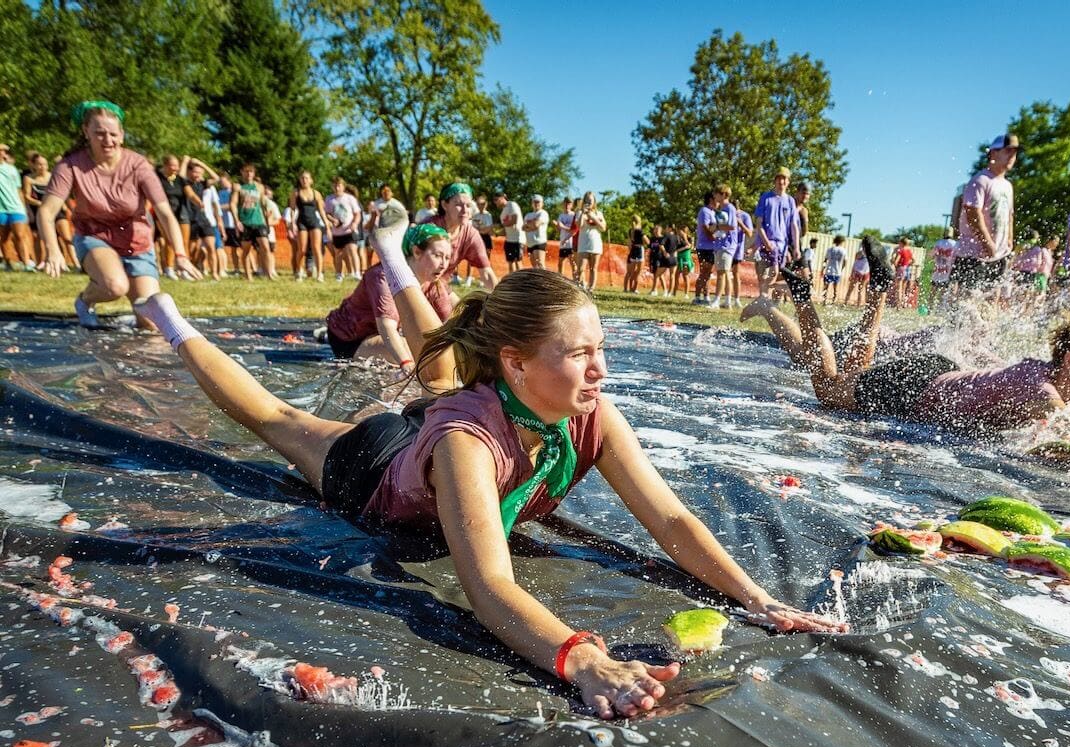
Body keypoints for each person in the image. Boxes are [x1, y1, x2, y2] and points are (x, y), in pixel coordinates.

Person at [130, 203, 846, 718]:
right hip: (374, 467)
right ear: (518, 361)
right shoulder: (468, 445)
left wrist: (757, 598)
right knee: (277, 419)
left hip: (458, 418)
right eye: (580, 354)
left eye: (602, 349)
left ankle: (392, 262)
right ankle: (169, 318)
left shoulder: (586, 409)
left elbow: (671, 518)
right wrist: (584, 659)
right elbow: (488, 583)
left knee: (444, 382)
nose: (600, 370)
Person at [744, 238, 1070, 463]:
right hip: (919, 386)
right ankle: (802, 297)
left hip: (936, 374)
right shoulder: (1045, 392)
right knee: (830, 391)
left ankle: (879, 290)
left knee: (857, 366)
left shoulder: (1054, 377)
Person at [37, 101, 200, 326]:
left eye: (113, 134)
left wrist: (181, 255)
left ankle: (138, 315)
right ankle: (85, 300)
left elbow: (164, 212)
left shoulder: (138, 165)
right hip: (95, 237)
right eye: (100, 133)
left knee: (152, 323)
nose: (108, 140)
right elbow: (46, 211)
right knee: (115, 286)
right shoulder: (70, 166)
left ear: (122, 135)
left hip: (137, 243)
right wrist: (53, 251)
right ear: (86, 132)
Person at [324, 220, 457, 377]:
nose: (443, 265)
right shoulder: (383, 277)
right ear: (416, 252)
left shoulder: (435, 284)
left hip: (389, 333)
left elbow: (449, 324)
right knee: (414, 352)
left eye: (447, 258)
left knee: (436, 351)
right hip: (349, 338)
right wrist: (406, 365)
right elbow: (386, 327)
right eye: (437, 256)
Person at [953, 134, 1019, 297]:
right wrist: (987, 243)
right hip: (973, 254)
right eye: (1008, 151)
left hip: (998, 254)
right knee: (967, 301)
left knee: (991, 300)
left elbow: (1009, 215)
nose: (1012, 156)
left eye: (1015, 153)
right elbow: (972, 213)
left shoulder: (1007, 185)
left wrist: (1010, 240)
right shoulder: (981, 180)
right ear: (993, 153)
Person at [428, 182, 498, 290]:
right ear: (444, 205)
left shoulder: (470, 234)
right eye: (458, 204)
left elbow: (487, 273)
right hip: (409, 286)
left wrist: (502, 301)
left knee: (462, 307)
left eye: (468, 205)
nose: (465, 210)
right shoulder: (429, 229)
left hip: (439, 287)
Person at [22, 153, 76, 272]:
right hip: (39, 210)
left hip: (56, 210)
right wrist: (40, 204)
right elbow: (26, 196)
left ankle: (76, 263)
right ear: (34, 165)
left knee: (66, 236)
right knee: (39, 238)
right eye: (40, 164)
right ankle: (40, 263)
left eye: (45, 164)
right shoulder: (29, 178)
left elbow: (63, 192)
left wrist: (66, 206)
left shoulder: (53, 176)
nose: (43, 166)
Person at [754, 167, 800, 293]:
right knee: (764, 276)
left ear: (788, 182)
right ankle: (764, 302)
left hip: (782, 247)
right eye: (779, 178)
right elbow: (759, 223)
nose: (782, 182)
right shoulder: (766, 198)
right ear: (775, 181)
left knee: (776, 275)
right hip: (765, 244)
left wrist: (796, 247)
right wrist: (766, 242)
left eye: (784, 179)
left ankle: (769, 304)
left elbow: (793, 225)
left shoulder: (790, 201)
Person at [230, 164, 274, 282]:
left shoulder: (259, 187)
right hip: (245, 222)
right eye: (246, 172)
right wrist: (236, 220)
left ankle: (269, 274)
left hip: (259, 221)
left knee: (265, 247)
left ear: (254, 174)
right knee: (246, 250)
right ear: (242, 172)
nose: (249, 174)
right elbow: (233, 204)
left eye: (251, 172)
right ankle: (248, 275)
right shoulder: (239, 188)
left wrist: (267, 213)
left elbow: (263, 201)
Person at [0, 144, 36, 272]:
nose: (3, 153)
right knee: (3, 238)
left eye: (4, 151)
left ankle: (26, 263)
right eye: (1, 151)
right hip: (1, 210)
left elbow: (18, 189)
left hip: (16, 208)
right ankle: (7, 262)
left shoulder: (12, 169)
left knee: (20, 235)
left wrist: (23, 208)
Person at [184, 162, 221, 281]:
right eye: (195, 172)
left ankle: (214, 273)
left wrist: (202, 165)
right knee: (193, 250)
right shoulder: (184, 183)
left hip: (203, 219)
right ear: (189, 172)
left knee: (211, 247)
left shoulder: (202, 184)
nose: (197, 175)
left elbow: (216, 178)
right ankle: (194, 270)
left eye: (200, 173)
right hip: (190, 219)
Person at [290, 171, 328, 281]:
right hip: (301, 222)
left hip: (314, 222)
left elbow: (321, 211)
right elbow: (292, 209)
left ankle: (320, 274)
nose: (304, 180)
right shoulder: (296, 192)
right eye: (302, 178)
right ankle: (299, 271)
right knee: (301, 250)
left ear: (311, 180)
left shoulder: (316, 193)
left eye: (306, 178)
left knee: (317, 248)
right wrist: (292, 223)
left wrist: (327, 225)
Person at [325, 177, 361, 282]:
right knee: (338, 254)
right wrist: (332, 220)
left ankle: (356, 273)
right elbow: (326, 213)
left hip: (349, 230)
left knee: (352, 250)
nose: (337, 188)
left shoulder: (350, 198)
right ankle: (339, 274)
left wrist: (354, 223)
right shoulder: (329, 199)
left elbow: (357, 213)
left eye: (339, 185)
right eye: (335, 185)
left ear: (343, 187)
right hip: (337, 232)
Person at [575, 191, 606, 293]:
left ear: (594, 202)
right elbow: (578, 226)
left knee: (593, 268)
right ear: (584, 201)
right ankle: (582, 286)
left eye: (590, 200)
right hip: (583, 244)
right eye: (587, 200)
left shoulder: (599, 213)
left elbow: (603, 228)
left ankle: (591, 288)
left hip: (595, 244)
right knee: (581, 268)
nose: (588, 203)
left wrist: (594, 218)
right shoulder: (579, 213)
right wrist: (583, 213)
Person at [730, 195, 752, 307]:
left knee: (735, 274)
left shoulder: (745, 216)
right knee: (724, 273)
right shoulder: (726, 214)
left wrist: (740, 223)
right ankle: (727, 298)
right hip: (725, 248)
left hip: (737, 249)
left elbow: (749, 233)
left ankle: (737, 299)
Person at [928, 228, 957, 312]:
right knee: (943, 292)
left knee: (933, 291)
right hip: (947, 272)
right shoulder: (954, 244)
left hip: (937, 270)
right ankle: (939, 309)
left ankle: (929, 308)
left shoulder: (938, 243)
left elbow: (931, 255)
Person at [495, 191, 524, 274]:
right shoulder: (502, 213)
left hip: (518, 238)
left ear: (502, 198)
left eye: (496, 199)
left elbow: (514, 220)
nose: (495, 202)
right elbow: (506, 230)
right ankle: (513, 283)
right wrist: (496, 233)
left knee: (518, 261)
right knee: (510, 262)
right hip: (509, 239)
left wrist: (502, 225)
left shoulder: (512, 205)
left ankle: (522, 282)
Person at [523, 195, 549, 270]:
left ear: (542, 203)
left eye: (538, 202)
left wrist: (529, 226)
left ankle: (545, 281)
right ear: (532, 203)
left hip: (539, 242)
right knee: (534, 267)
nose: (536, 204)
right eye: (534, 202)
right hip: (530, 243)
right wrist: (532, 225)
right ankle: (538, 281)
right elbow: (523, 227)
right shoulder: (528, 215)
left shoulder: (543, 213)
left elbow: (536, 225)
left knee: (540, 264)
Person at [821, 235, 848, 305]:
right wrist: (841, 269)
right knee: (835, 289)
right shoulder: (843, 250)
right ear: (842, 241)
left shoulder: (830, 249)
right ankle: (833, 302)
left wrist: (822, 269)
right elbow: (845, 262)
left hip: (828, 271)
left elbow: (825, 260)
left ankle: (824, 301)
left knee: (825, 288)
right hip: (837, 272)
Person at [555, 197, 576, 279]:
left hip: (571, 243)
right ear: (563, 204)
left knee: (573, 263)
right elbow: (558, 229)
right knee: (560, 263)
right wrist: (557, 225)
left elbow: (574, 230)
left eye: (569, 203)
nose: (567, 205)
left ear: (571, 205)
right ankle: (561, 279)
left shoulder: (573, 215)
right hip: (563, 243)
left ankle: (576, 280)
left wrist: (563, 226)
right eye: (565, 203)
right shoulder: (561, 215)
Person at [623, 214, 644, 294]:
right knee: (637, 272)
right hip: (639, 251)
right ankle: (634, 289)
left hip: (632, 252)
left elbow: (629, 243)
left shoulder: (630, 231)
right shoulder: (639, 231)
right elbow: (646, 241)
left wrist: (631, 250)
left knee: (629, 272)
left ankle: (626, 289)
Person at [671, 225, 693, 298]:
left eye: (680, 230)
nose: (678, 232)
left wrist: (685, 238)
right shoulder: (677, 238)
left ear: (684, 231)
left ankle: (686, 294)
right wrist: (683, 248)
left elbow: (690, 246)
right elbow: (675, 249)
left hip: (686, 258)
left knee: (685, 276)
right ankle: (673, 293)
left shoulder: (690, 238)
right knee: (676, 275)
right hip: (678, 258)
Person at [891, 238, 914, 308]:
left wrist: (895, 265)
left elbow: (896, 261)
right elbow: (913, 260)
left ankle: (898, 305)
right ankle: (904, 303)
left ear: (901, 243)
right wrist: (907, 264)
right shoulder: (909, 251)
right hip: (907, 269)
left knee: (899, 287)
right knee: (904, 288)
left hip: (901, 269)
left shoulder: (901, 251)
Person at [647, 224, 669, 297]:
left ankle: (656, 290)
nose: (655, 231)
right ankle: (661, 290)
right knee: (657, 275)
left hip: (660, 258)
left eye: (657, 229)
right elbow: (650, 248)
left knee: (658, 274)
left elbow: (664, 249)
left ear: (660, 230)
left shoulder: (662, 238)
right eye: (655, 229)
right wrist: (648, 257)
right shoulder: (652, 238)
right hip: (653, 258)